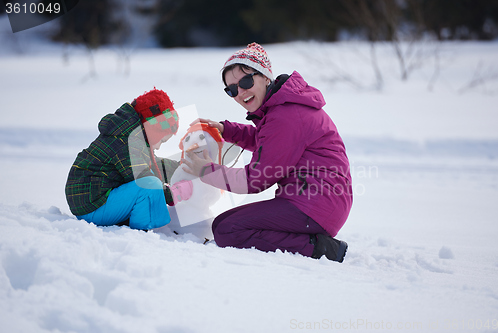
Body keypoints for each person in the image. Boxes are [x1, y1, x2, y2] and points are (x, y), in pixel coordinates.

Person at [183, 43, 352, 262]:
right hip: (317, 202)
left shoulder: (285, 115)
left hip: (316, 204)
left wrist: (207, 171)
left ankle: (319, 248)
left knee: (228, 230)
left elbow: (255, 179)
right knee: (223, 224)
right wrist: (226, 129)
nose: (240, 92)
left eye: (246, 81)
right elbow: (267, 143)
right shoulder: (282, 107)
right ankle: (307, 238)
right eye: (231, 89)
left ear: (264, 76)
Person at [65, 88, 193, 230]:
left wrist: (183, 168)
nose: (158, 148)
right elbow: (144, 179)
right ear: (153, 130)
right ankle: (142, 232)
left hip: (94, 202)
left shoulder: (130, 135)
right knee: (150, 185)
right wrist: (175, 193)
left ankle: (140, 220)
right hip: (92, 206)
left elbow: (153, 165)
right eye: (161, 141)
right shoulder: (125, 142)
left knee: (150, 182)